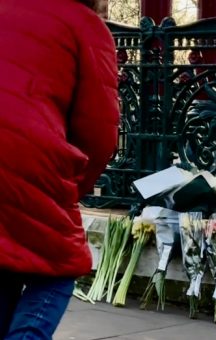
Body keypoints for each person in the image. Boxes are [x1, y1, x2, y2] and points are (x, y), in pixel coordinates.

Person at [0, 0, 120, 338]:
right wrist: (72, 187)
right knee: (57, 271)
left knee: (5, 260)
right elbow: (99, 135)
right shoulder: (83, 24)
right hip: (26, 155)